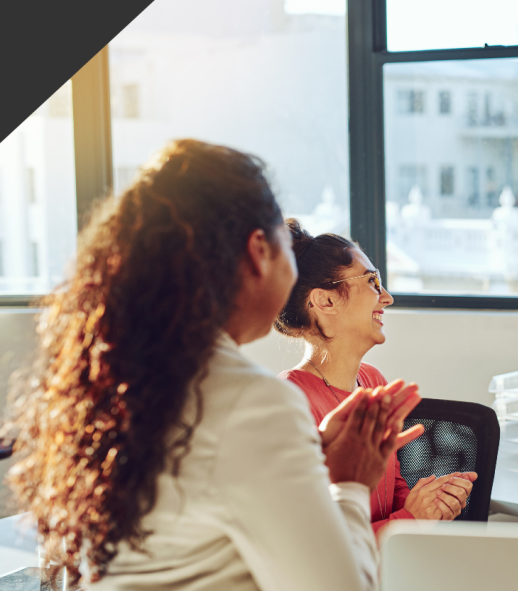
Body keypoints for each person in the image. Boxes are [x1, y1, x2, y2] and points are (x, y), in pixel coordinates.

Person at [5, 139, 423, 589]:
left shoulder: (123, 384)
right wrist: (350, 485)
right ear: (257, 250)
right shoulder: (253, 402)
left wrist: (306, 459)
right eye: (287, 242)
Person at [275, 219, 477, 532]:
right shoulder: (289, 403)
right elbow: (318, 541)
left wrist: (428, 505)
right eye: (372, 282)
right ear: (325, 301)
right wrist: (411, 519)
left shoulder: (372, 381)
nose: (386, 297)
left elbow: (394, 489)